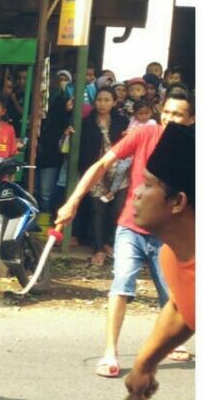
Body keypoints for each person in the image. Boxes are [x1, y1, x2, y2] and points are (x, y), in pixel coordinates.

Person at [55, 92, 194, 379]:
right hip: (132, 225)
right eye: (166, 112)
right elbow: (102, 164)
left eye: (178, 115)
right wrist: (73, 200)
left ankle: (168, 346)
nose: (169, 119)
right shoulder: (144, 133)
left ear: (191, 120)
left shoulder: (192, 151)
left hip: (168, 235)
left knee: (173, 296)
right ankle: (110, 352)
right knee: (121, 284)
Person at [121, 122, 195, 400]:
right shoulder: (173, 256)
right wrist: (145, 363)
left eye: (149, 185)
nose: (136, 192)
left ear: (178, 202)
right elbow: (182, 307)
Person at [78, 87, 130, 265]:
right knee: (97, 210)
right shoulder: (86, 122)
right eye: (99, 100)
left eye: (107, 100)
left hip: (119, 172)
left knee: (116, 210)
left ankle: (109, 242)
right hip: (96, 171)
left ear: (114, 102)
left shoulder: (122, 122)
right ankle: (98, 249)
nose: (102, 103)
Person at [35, 90, 73, 213]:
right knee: (45, 192)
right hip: (49, 161)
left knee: (45, 192)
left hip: (51, 161)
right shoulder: (52, 122)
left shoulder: (67, 121)